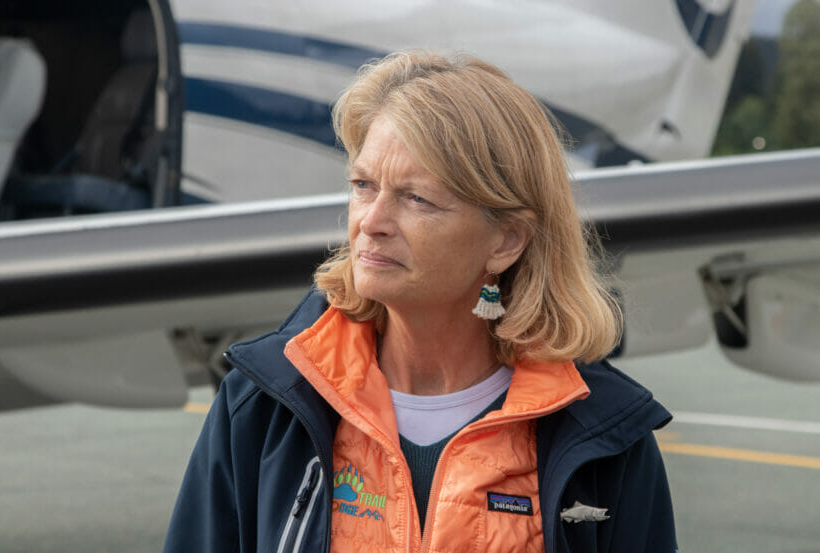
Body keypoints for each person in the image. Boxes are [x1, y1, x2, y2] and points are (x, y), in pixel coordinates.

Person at [163, 51, 677, 553]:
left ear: (506, 242)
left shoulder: (608, 437)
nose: (372, 221)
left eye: (416, 198)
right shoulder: (259, 408)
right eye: (364, 185)